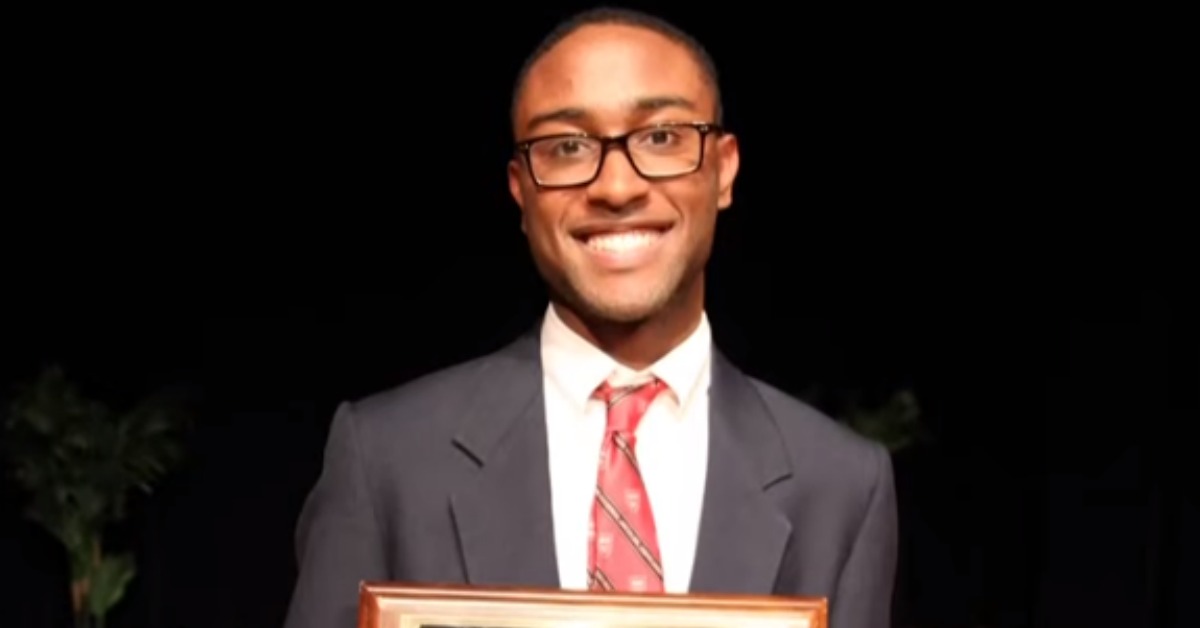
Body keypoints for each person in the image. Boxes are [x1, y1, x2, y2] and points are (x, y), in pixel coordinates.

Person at [284, 6, 897, 628]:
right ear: (521, 190)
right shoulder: (389, 456)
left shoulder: (841, 484)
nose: (616, 188)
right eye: (568, 147)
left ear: (724, 169)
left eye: (661, 137)